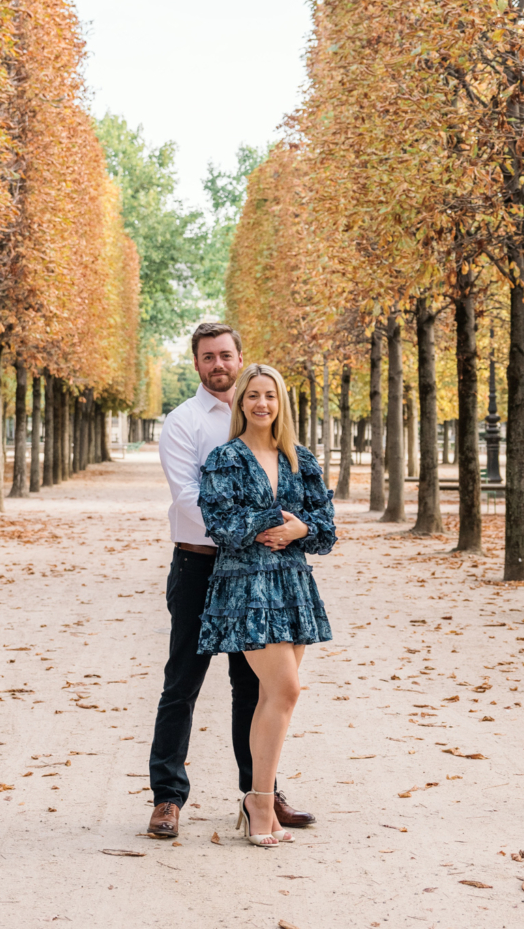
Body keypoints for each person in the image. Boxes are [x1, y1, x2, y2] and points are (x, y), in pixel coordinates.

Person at [147, 323, 317, 841]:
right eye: (207, 357)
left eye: (225, 355)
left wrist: (288, 530)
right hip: (201, 565)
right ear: (197, 363)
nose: (218, 364)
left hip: (261, 576)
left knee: (257, 686)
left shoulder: (265, 417)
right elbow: (188, 499)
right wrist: (268, 527)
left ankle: (257, 792)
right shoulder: (184, 422)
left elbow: (310, 508)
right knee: (183, 682)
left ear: (240, 358)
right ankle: (168, 797)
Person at [198, 362, 335, 847]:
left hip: (292, 584)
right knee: (286, 691)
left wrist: (302, 528)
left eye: (270, 396)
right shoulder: (223, 459)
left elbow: (326, 529)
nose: (262, 404)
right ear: (242, 404)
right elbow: (223, 526)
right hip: (245, 587)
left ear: (281, 404)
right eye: (253, 395)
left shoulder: (302, 460)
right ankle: (259, 799)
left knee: (272, 698)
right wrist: (277, 517)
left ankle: (261, 795)